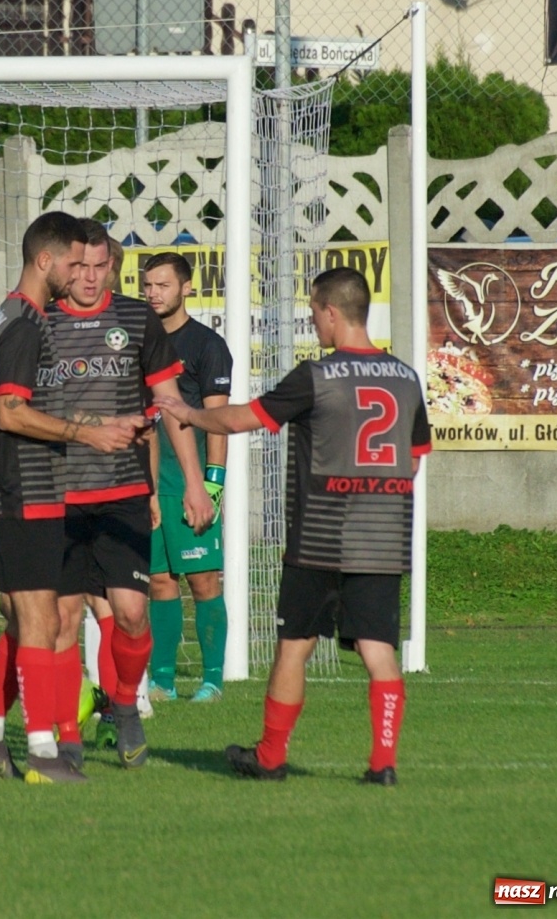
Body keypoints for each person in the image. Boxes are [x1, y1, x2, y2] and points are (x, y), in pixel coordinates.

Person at [157, 267, 430, 787]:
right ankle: (383, 765)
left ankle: (271, 756)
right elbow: (414, 459)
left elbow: (242, 419)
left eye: (313, 311)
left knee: (294, 647)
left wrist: (188, 415)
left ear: (330, 313)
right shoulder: (405, 377)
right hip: (382, 540)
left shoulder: (317, 376)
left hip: (319, 540)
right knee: (378, 651)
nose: (312, 319)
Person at [0, 212, 144, 785]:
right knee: (38, 617)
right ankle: (43, 754)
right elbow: (11, 412)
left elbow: (29, 409)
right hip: (22, 486)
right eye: (71, 261)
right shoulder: (26, 322)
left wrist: (98, 421)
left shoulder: (18, 315)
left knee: (25, 619)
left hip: (22, 484)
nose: (79, 272)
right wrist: (87, 433)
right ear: (46, 261)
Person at [48, 224, 213, 774]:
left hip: (122, 492)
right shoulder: (38, 319)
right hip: (57, 493)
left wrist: (193, 482)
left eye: (101, 267)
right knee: (61, 621)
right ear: (62, 265)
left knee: (132, 614)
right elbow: (7, 409)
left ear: (112, 268)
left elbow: (171, 405)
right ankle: (67, 736)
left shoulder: (137, 320)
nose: (89, 278)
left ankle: (124, 703)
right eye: (80, 267)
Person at [141, 251, 234, 704]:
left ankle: (212, 680)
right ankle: (162, 680)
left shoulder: (205, 345)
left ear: (186, 288)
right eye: (148, 285)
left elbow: (216, 420)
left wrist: (212, 482)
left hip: (190, 477)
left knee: (203, 580)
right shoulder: (137, 338)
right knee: (159, 581)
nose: (154, 293)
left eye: (163, 285)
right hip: (148, 477)